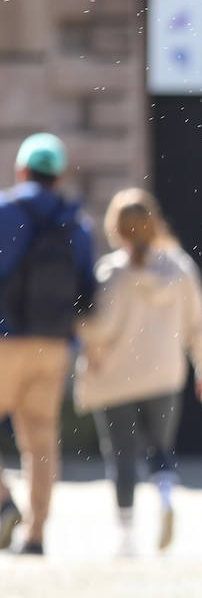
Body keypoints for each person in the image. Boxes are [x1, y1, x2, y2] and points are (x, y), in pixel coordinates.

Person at [74, 188, 202, 556]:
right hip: (164, 375)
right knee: (160, 448)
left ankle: (126, 539)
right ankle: (166, 494)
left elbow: (101, 328)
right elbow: (197, 326)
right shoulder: (181, 268)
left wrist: (76, 325)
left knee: (121, 455)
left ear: (116, 229)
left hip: (115, 377)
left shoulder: (112, 273)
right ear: (153, 224)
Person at [0, 132, 96, 556]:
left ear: (22, 171)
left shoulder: (4, 211)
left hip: (6, 341)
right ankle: (36, 536)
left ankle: (4, 502)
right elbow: (88, 291)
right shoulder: (77, 223)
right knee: (41, 439)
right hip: (54, 345)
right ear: (59, 177)